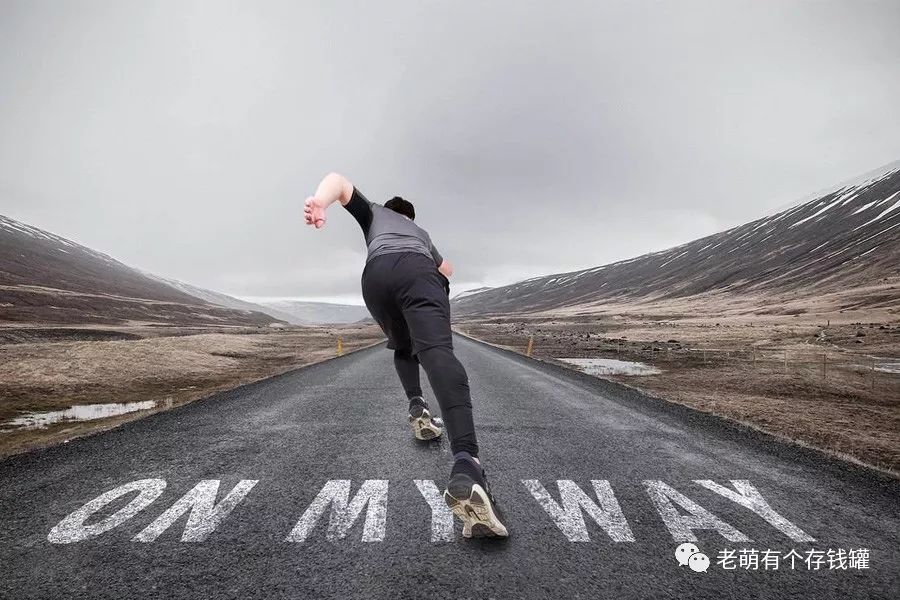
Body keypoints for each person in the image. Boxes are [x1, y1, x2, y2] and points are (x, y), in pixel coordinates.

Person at [303, 172, 508, 538]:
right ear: (410, 216)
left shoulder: (373, 214)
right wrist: (439, 272)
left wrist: (320, 202)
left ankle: (417, 406)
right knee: (437, 353)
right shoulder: (420, 234)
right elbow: (447, 270)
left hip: (375, 278)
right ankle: (467, 464)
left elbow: (338, 181)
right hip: (417, 271)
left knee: (402, 346)